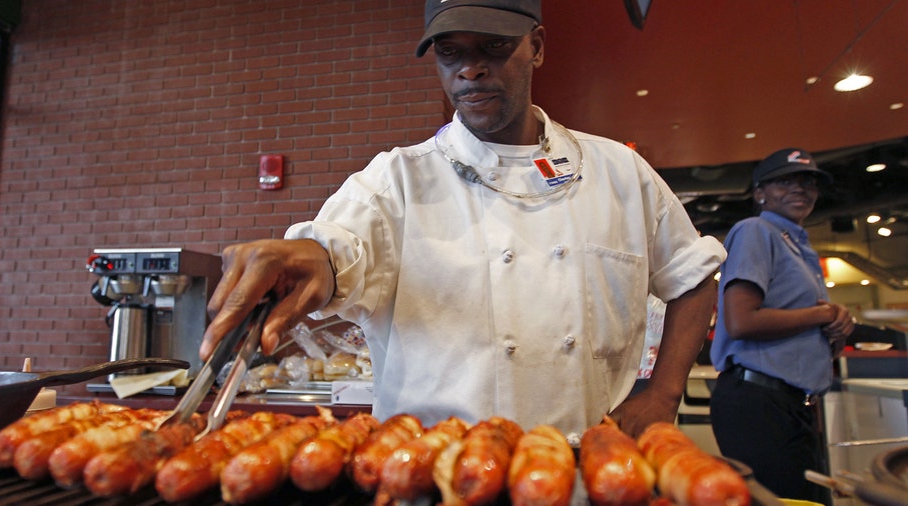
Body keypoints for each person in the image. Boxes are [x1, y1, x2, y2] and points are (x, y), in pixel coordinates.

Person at [200, 0, 726, 440]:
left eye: (494, 48)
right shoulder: (396, 181)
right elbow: (340, 247)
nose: (470, 69)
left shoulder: (616, 172)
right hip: (432, 475)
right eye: (451, 53)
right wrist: (312, 257)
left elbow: (693, 274)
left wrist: (662, 393)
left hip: (582, 474)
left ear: (537, 46)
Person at [709, 148, 855, 503]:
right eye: (785, 180)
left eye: (808, 181)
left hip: (790, 404)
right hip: (760, 404)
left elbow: (802, 324)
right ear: (760, 192)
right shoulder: (756, 230)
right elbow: (741, 320)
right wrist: (822, 315)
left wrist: (836, 325)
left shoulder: (798, 244)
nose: (800, 188)